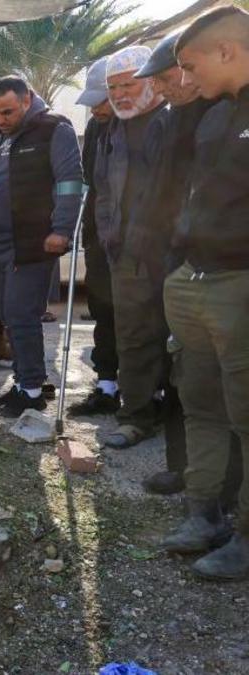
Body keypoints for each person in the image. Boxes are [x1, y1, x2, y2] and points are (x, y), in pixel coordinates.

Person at [134, 29, 243, 497]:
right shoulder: (179, 118)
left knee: (231, 391)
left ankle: (229, 490)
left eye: (167, 78)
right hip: (179, 266)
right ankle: (187, 473)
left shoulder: (222, 112)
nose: (160, 89)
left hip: (226, 274)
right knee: (185, 379)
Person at [160, 6, 249, 580]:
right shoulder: (216, 114)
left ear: (227, 50)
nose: (186, 80)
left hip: (239, 284)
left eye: (191, 67)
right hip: (192, 280)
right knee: (200, 403)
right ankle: (204, 514)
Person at [0, 76, 83, 418]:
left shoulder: (53, 129)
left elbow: (70, 181)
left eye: (8, 112)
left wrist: (62, 229)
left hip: (30, 242)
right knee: (8, 316)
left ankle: (31, 391)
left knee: (20, 314)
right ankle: (24, 383)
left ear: (27, 100)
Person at [92, 46, 169, 451]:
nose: (120, 94)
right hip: (126, 255)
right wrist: (110, 234)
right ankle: (137, 415)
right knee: (134, 336)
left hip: (175, 253)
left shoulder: (174, 121)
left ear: (153, 80)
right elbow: (103, 190)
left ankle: (176, 417)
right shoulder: (113, 130)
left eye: (128, 84)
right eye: (113, 87)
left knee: (182, 339)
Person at [69, 57, 122, 419]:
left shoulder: (150, 124)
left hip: (137, 241)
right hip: (99, 239)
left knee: (140, 318)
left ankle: (151, 392)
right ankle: (106, 386)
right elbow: (88, 180)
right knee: (103, 312)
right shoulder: (96, 128)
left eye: (102, 101)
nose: (96, 109)